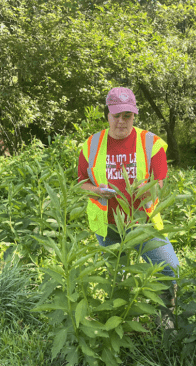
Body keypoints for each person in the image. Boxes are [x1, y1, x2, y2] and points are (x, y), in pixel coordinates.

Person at [77, 87, 179, 325]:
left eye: (127, 115)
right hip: (109, 225)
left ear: (134, 115)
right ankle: (118, 321)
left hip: (142, 223)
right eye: (116, 115)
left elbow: (160, 182)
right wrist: (97, 191)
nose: (121, 121)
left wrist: (143, 193)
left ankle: (165, 317)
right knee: (117, 277)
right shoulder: (91, 144)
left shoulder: (150, 142)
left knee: (168, 267)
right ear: (107, 115)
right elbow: (81, 182)